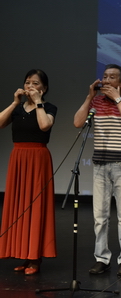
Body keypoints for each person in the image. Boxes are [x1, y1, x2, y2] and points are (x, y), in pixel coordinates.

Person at [73, 64, 121, 278]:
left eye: (112, 77)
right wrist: (89, 97)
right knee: (100, 216)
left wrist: (118, 99)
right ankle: (102, 258)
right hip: (101, 165)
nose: (106, 81)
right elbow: (77, 123)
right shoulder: (96, 102)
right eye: (104, 76)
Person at [0, 69, 57, 275]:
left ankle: (35, 258)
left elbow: (44, 126)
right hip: (18, 158)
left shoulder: (49, 107)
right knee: (19, 205)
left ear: (44, 88)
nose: (30, 86)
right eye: (27, 83)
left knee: (36, 205)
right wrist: (15, 102)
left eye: (35, 83)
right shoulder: (17, 109)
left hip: (38, 159)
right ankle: (24, 253)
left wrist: (38, 102)